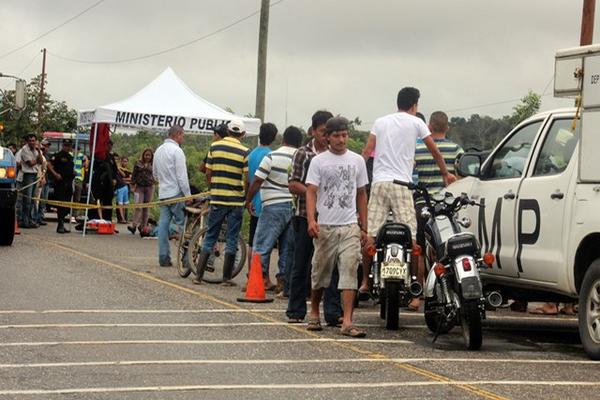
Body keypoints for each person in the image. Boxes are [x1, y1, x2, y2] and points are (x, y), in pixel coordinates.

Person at [361, 87, 456, 310]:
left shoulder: (380, 122)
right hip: (402, 186)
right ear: (414, 105)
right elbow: (434, 150)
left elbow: (366, 151)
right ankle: (414, 284)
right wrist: (445, 173)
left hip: (379, 183)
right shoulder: (416, 122)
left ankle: (365, 282)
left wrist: (358, 178)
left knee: (371, 235)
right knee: (411, 239)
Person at [305, 116, 369, 337]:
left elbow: (361, 194)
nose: (341, 140)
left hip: (349, 225)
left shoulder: (357, 161)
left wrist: (364, 227)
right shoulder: (319, 161)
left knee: (350, 270)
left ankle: (347, 321)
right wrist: (311, 220)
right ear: (327, 137)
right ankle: (315, 311)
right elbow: (311, 191)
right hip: (326, 225)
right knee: (320, 272)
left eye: (344, 135)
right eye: (336, 136)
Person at [286, 110, 342, 326]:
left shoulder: (336, 154)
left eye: (329, 132)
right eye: (322, 131)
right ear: (313, 131)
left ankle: (333, 312)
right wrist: (315, 192)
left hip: (331, 219)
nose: (326, 136)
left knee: (332, 266)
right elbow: (293, 184)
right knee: (301, 264)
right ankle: (296, 310)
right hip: (304, 216)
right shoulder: (303, 153)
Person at [245, 126, 302, 298]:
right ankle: (282, 282)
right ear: (299, 142)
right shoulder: (300, 158)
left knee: (262, 244)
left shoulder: (272, 156)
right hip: (293, 207)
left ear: (283, 139)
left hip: (273, 206)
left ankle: (257, 280)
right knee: (286, 248)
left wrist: (248, 200)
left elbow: (257, 180)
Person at [194, 120, 249, 286]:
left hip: (217, 198)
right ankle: (226, 278)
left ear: (228, 131)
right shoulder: (245, 151)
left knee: (211, 235)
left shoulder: (214, 147)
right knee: (232, 238)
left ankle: (198, 276)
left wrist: (213, 189)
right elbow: (247, 178)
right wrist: (244, 196)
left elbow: (207, 172)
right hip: (236, 201)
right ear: (242, 134)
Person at [413, 111, 463, 291]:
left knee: (419, 247)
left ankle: (418, 292)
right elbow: (462, 176)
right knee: (448, 246)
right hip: (447, 207)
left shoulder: (418, 149)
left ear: (429, 127)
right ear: (447, 127)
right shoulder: (456, 150)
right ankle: (448, 288)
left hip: (423, 204)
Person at [245, 122, 278, 290]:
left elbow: (248, 179)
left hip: (253, 202)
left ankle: (251, 274)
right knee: (266, 243)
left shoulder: (251, 154)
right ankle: (263, 278)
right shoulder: (270, 156)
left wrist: (248, 199)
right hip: (265, 202)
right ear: (273, 138)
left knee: (252, 241)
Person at [153, 125, 191, 267]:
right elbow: (182, 177)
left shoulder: (158, 151)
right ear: (178, 134)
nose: (183, 138)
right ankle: (186, 259)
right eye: (183, 136)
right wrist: (188, 195)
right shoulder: (177, 151)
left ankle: (163, 257)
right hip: (176, 194)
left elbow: (155, 174)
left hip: (163, 194)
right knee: (183, 226)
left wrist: (164, 183)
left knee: (163, 225)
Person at [47, 139, 75, 233]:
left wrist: (73, 172)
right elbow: (49, 164)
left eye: (69, 145)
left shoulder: (70, 157)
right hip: (60, 183)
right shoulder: (58, 155)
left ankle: (62, 223)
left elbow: (70, 168)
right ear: (63, 146)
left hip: (69, 183)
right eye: (66, 145)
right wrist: (55, 174)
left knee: (67, 205)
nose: (67, 147)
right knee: (61, 204)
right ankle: (60, 225)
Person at [18, 134, 44, 228]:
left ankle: (30, 220)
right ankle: (25, 221)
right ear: (27, 141)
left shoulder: (36, 150)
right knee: (27, 200)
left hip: (35, 174)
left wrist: (39, 151)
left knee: (32, 200)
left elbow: (41, 161)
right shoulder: (25, 150)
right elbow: (31, 164)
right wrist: (37, 159)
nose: (32, 142)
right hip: (28, 175)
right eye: (30, 141)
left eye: (33, 140)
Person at [128, 148, 155, 234]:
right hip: (139, 187)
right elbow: (134, 175)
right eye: (146, 155)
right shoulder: (138, 163)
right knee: (138, 206)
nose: (147, 157)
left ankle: (143, 227)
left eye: (149, 155)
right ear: (143, 155)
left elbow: (156, 174)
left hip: (149, 187)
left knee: (146, 208)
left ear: (151, 156)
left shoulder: (154, 164)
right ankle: (134, 226)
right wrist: (132, 185)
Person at [33, 139, 50, 226]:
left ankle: (39, 218)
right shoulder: (36, 155)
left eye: (47, 146)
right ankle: (35, 218)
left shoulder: (45, 156)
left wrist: (43, 178)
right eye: (43, 147)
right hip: (37, 180)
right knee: (36, 201)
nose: (45, 148)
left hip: (43, 180)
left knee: (42, 201)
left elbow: (44, 169)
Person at [72, 148, 87, 221]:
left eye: (78, 149)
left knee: (77, 198)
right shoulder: (70, 155)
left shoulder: (82, 156)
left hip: (79, 179)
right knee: (70, 196)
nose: (77, 150)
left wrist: (82, 165)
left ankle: (75, 215)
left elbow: (86, 162)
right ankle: (70, 214)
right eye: (75, 149)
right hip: (71, 178)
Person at [115, 156, 132, 224]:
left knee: (125, 204)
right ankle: (120, 218)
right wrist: (125, 180)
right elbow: (119, 179)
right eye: (124, 161)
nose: (125, 163)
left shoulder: (127, 170)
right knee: (119, 203)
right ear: (121, 161)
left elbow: (130, 179)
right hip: (119, 187)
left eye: (126, 161)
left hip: (127, 188)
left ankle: (125, 218)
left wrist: (123, 180)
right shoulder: (118, 169)